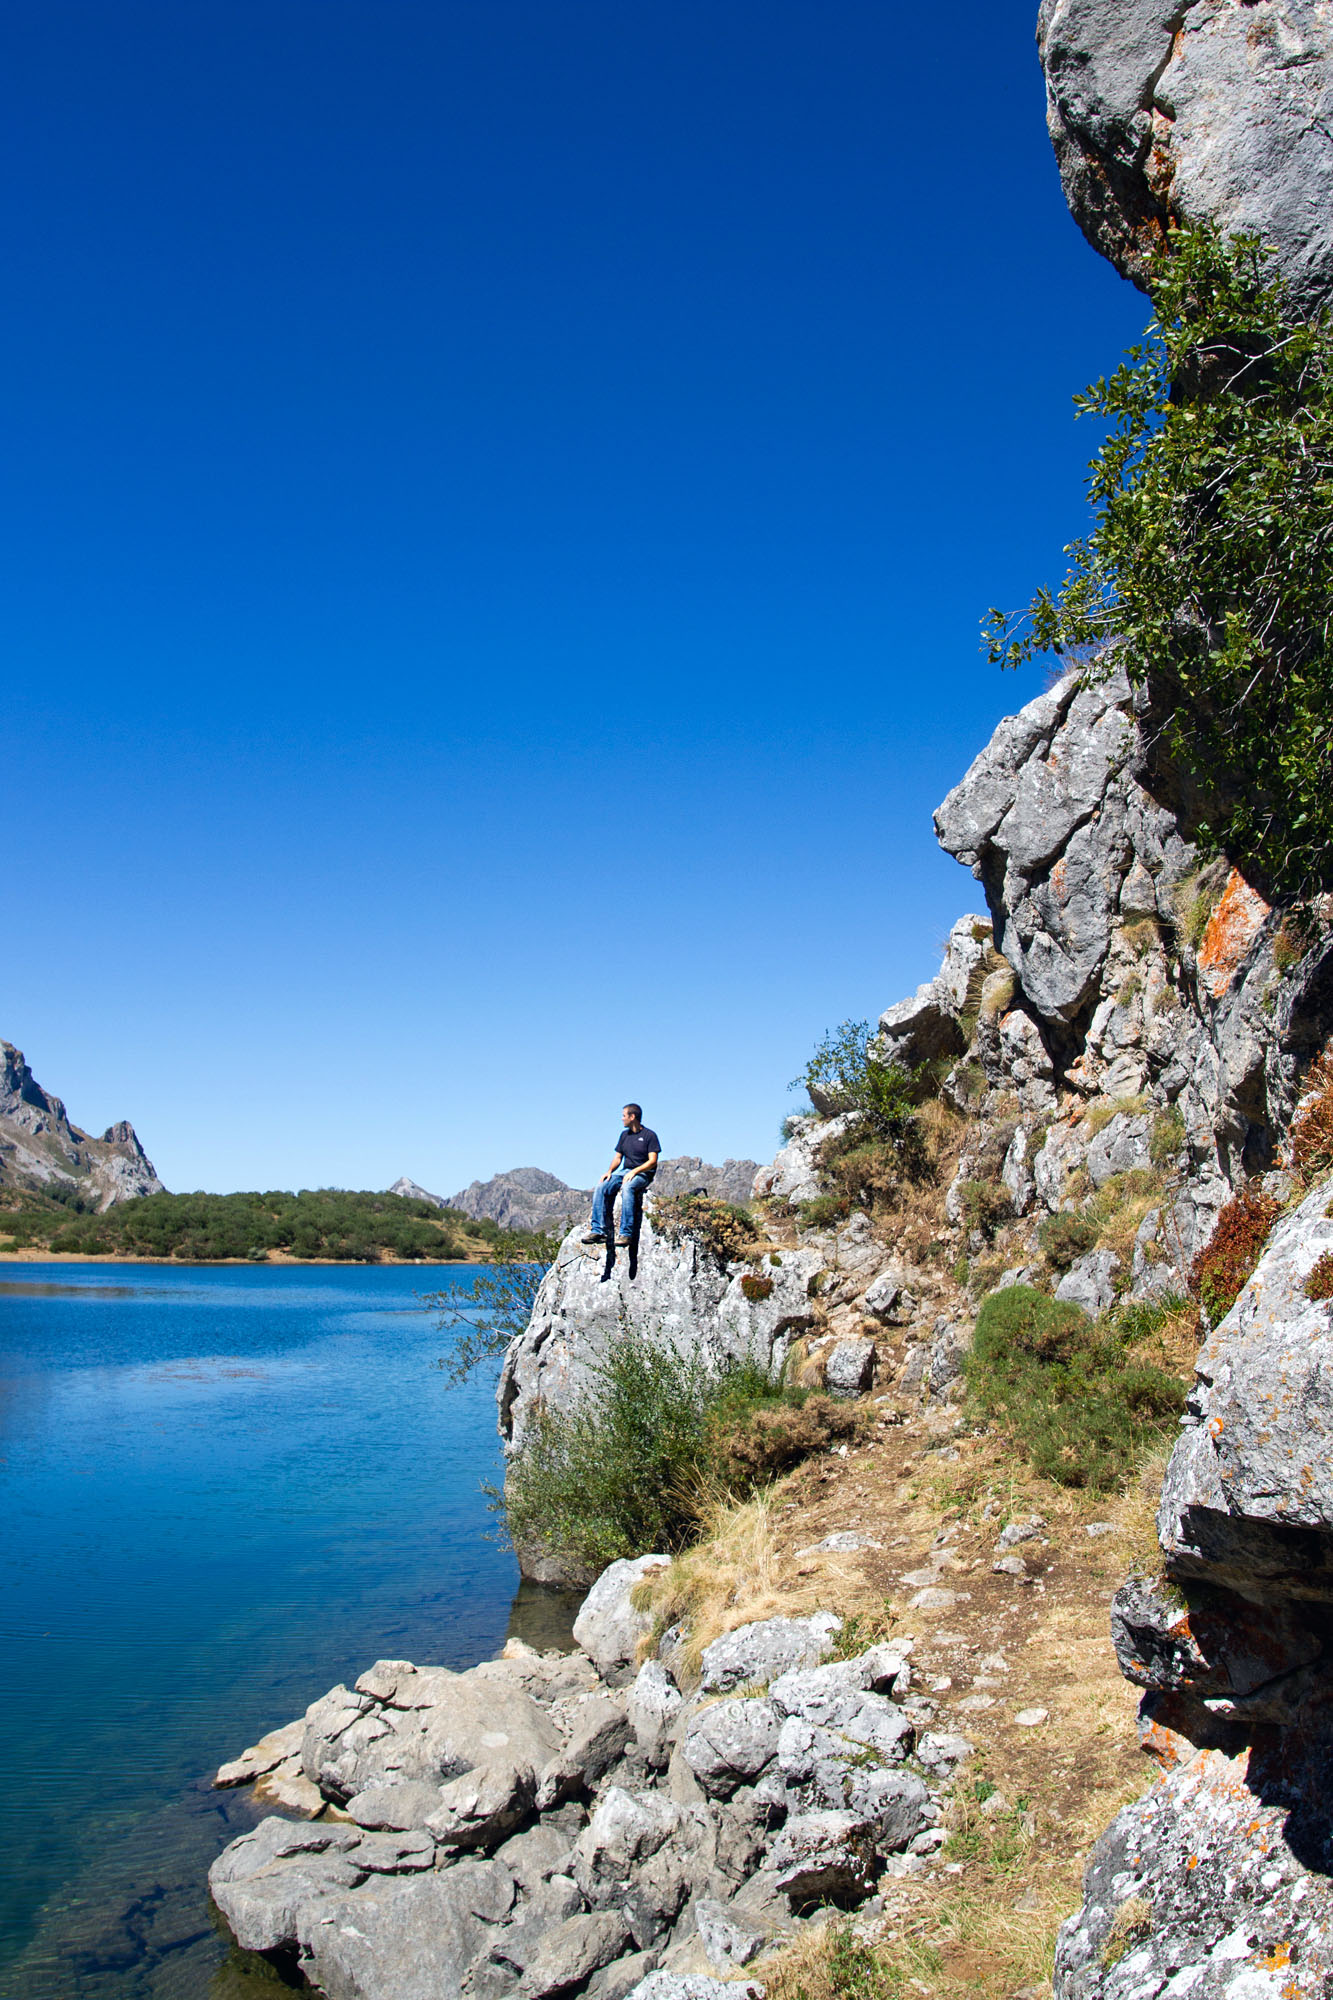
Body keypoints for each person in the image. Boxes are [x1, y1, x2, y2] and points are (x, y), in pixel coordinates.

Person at [582, 1104, 660, 1246]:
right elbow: (618, 1158)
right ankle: (598, 1231)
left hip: (643, 1173)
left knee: (627, 1187)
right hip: (625, 1171)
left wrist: (635, 1171)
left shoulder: (649, 1135)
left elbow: (653, 1161)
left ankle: (626, 1234)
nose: (621, 1118)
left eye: (624, 1115)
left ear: (632, 1117)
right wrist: (609, 1171)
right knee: (601, 1186)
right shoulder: (624, 1136)